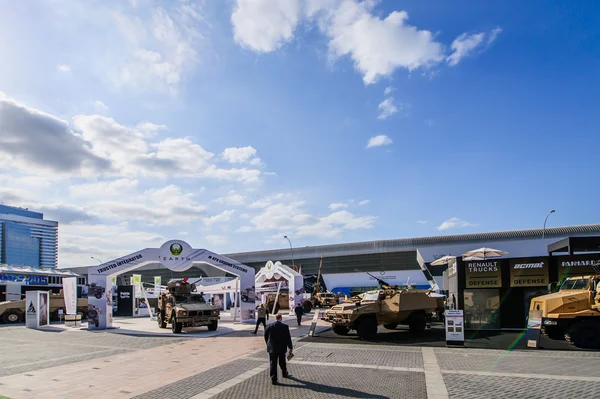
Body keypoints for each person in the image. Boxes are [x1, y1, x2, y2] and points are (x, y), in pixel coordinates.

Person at [264, 314, 293, 385]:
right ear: (281, 318)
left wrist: (268, 344)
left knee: (272, 363)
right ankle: (284, 373)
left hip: (272, 348)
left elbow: (265, 336)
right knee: (282, 361)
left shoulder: (269, 326)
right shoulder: (285, 327)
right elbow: (287, 338)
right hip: (282, 347)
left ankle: (273, 379)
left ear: (275, 318)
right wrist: (290, 347)